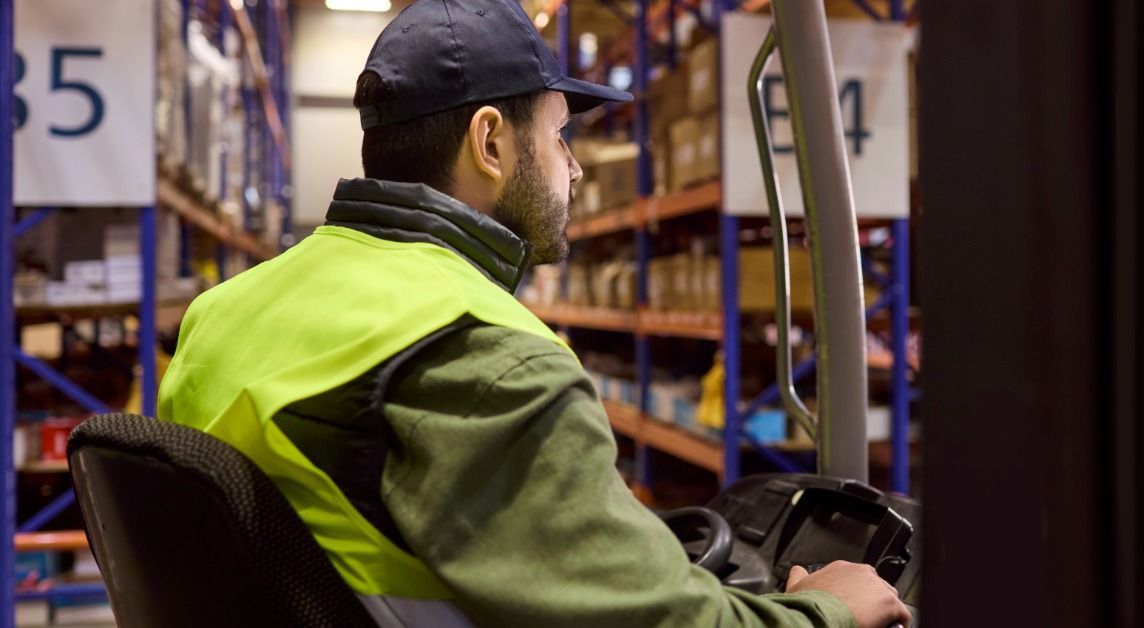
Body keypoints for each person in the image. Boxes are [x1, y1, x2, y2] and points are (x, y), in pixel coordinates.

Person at [158, 1, 911, 626]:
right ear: (490, 141)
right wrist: (825, 612)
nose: (575, 168)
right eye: (559, 138)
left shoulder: (222, 311)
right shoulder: (484, 356)